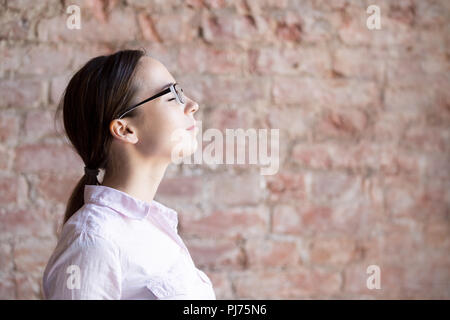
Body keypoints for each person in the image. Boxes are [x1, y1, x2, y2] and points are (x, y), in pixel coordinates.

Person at [42, 49, 215, 300]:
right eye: (172, 95)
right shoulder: (93, 240)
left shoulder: (153, 225)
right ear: (125, 129)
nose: (192, 104)